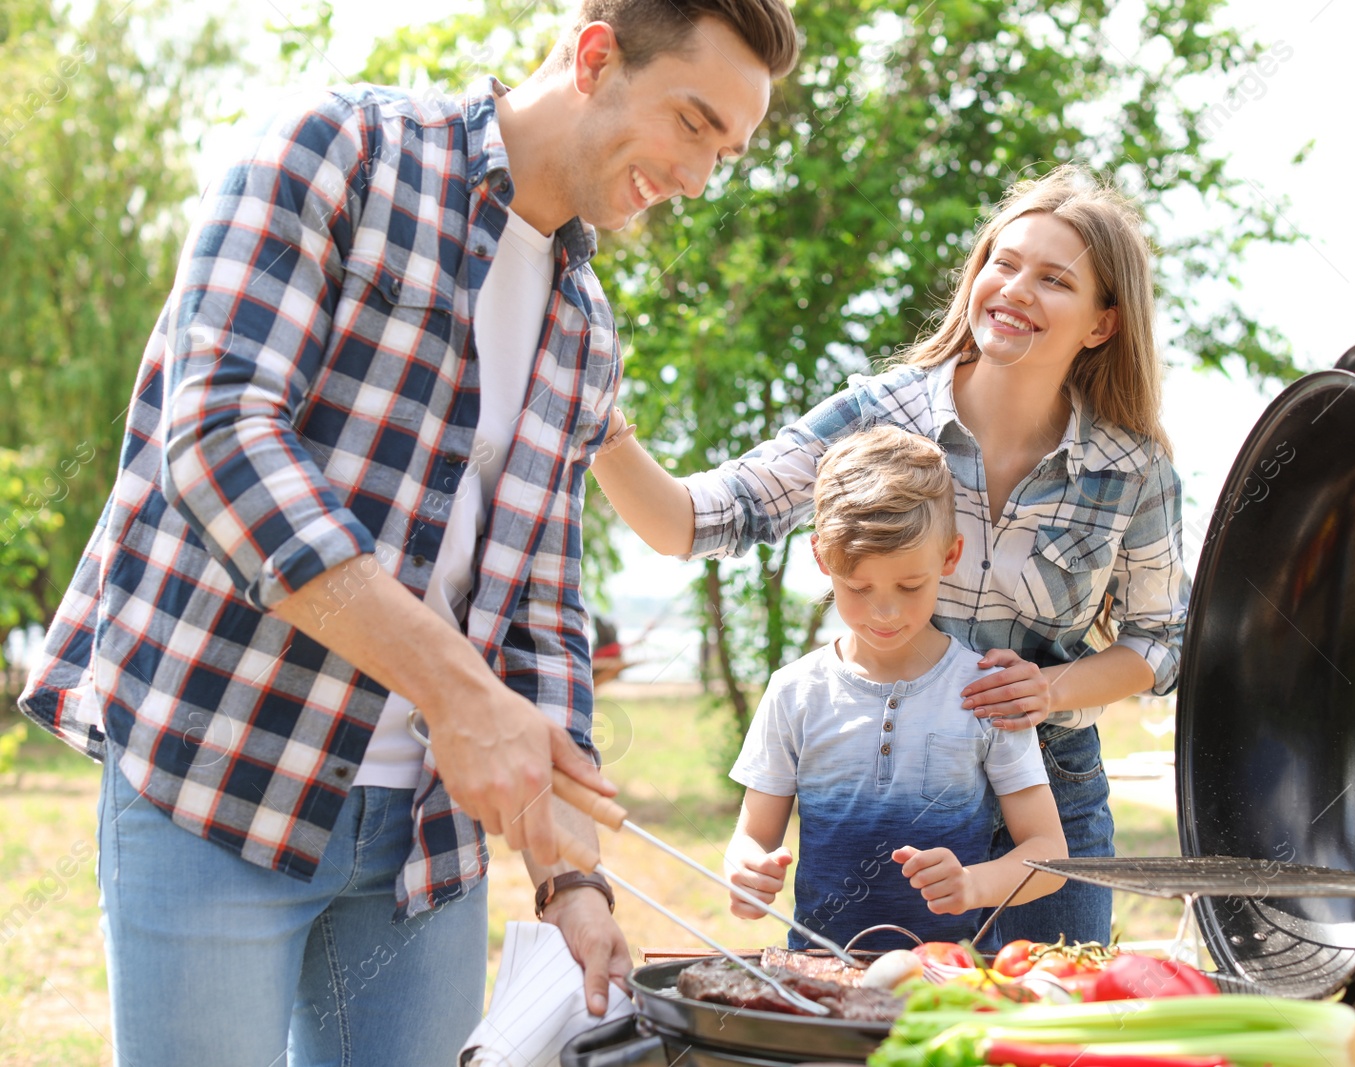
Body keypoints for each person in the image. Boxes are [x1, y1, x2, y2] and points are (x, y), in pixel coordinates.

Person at [16, 1, 797, 1062]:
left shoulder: (586, 329)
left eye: (728, 150)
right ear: (595, 54)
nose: (701, 176)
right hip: (217, 778)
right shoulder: (337, 148)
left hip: (423, 846)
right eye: (692, 122)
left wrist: (569, 875)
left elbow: (541, 606)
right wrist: (461, 696)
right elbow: (218, 442)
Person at [590, 164, 1188, 946]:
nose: (1013, 289)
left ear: (1102, 324)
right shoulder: (881, 415)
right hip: (900, 791)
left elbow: (1161, 639)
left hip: (1050, 801)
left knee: (1043, 1032)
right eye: (1001, 263)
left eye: (1053, 279)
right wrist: (594, 415)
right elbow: (695, 520)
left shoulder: (1132, 469)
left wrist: (1051, 688)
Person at [723, 427, 1067, 950]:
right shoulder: (794, 692)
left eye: (910, 587)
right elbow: (752, 836)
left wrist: (974, 884)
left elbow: (1049, 856)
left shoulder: (986, 692)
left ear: (950, 557)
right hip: (821, 985)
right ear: (821, 559)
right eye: (858, 588)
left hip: (948, 987)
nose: (885, 612)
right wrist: (745, 871)